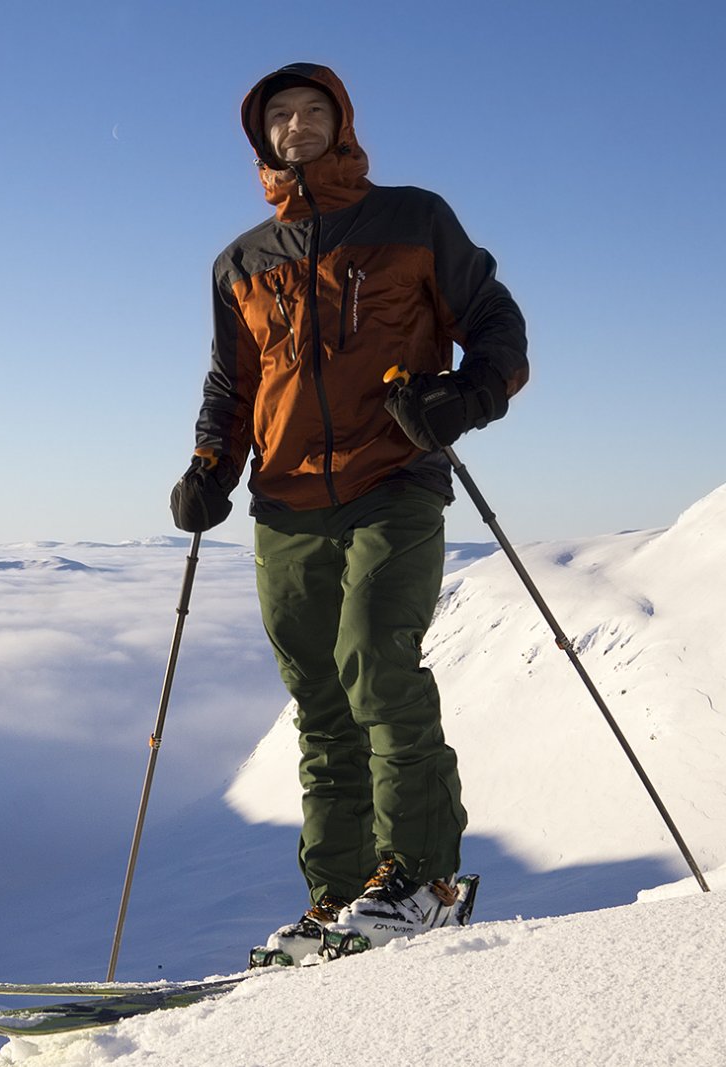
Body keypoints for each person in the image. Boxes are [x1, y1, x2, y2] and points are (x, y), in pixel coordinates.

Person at [170, 62, 527, 963]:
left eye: (312, 110)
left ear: (343, 122)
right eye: (279, 115)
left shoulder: (413, 219)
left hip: (393, 479)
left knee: (376, 662)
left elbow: (495, 322)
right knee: (321, 702)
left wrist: (463, 397)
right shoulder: (241, 262)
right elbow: (231, 384)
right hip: (285, 501)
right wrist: (211, 465)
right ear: (261, 137)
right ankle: (340, 896)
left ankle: (424, 880)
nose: (296, 125)